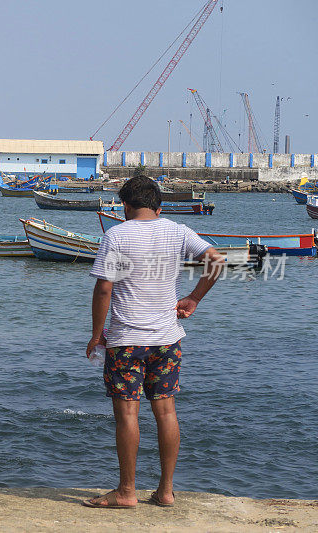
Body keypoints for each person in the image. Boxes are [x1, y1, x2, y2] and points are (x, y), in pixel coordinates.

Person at [83, 175, 224, 509]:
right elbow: (216, 261)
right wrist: (193, 298)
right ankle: (165, 491)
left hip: (126, 341)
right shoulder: (177, 230)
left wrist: (95, 333)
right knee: (166, 412)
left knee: (127, 416)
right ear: (158, 206)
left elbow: (104, 288)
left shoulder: (115, 234)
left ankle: (127, 491)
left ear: (126, 205)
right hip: (166, 340)